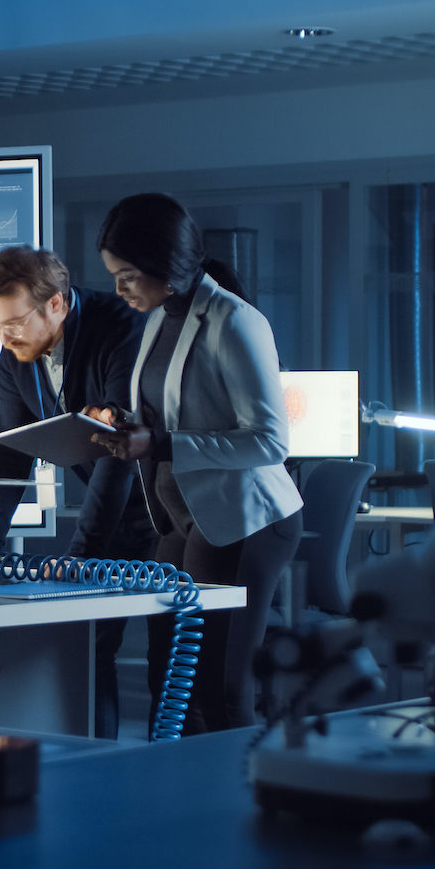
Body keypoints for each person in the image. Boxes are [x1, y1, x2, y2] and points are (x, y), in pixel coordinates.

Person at [86, 192, 304, 734]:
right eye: (115, 275)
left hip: (244, 520)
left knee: (217, 685)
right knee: (169, 679)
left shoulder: (235, 322)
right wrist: (119, 421)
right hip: (183, 516)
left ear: (168, 267)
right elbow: (166, 412)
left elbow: (271, 442)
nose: (119, 289)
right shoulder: (163, 316)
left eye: (129, 275)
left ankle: (239, 805)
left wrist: (160, 444)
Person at [0, 246, 157, 739]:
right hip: (109, 501)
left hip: (162, 507)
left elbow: (118, 447)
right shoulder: (16, 355)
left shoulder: (118, 326)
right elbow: (8, 451)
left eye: (12, 322)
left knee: (171, 659)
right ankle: (91, 768)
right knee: (89, 643)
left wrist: (81, 554)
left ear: (55, 304)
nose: (4, 335)